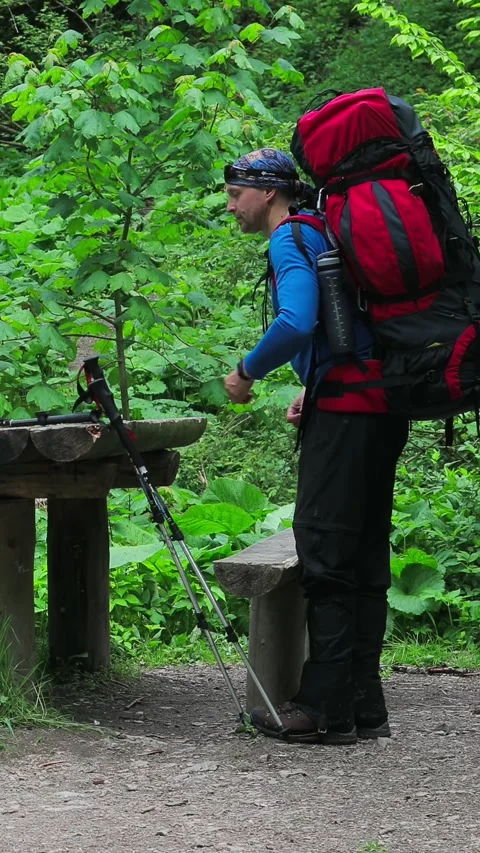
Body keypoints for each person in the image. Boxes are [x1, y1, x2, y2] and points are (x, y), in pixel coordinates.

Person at [223, 147, 409, 745]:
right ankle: (364, 706)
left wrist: (247, 371)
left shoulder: (289, 238)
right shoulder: (326, 229)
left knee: (326, 554)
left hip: (348, 416)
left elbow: (296, 321)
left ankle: (321, 711)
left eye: (236, 194)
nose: (231, 206)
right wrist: (315, 385)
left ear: (270, 192)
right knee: (363, 558)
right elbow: (344, 328)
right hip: (378, 407)